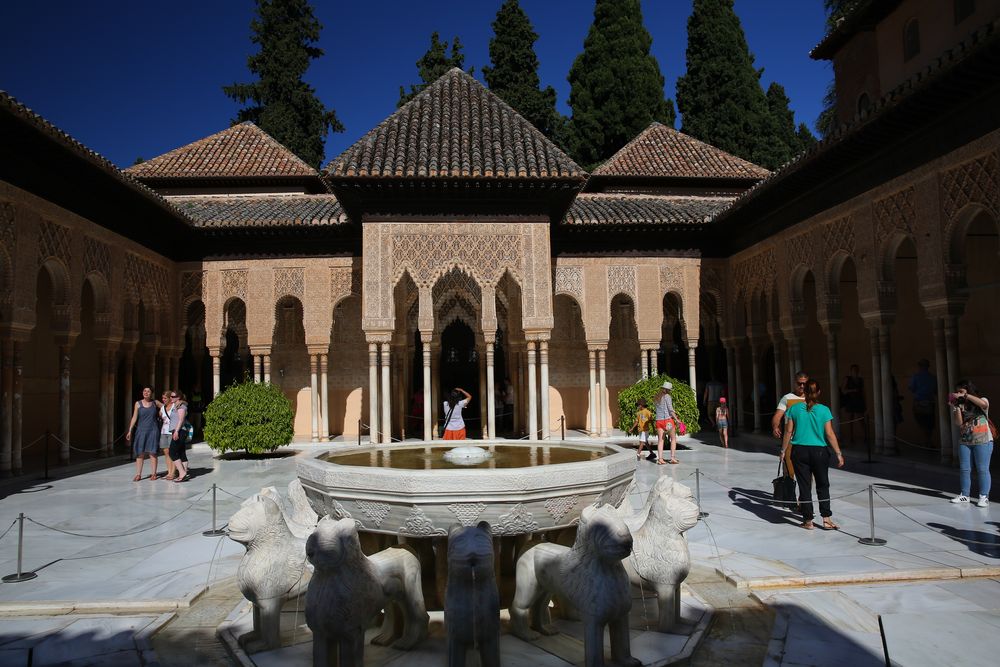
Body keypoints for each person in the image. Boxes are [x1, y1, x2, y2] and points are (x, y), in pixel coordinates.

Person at [781, 380, 845, 530]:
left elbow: (788, 432)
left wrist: (783, 451)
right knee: (823, 484)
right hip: (820, 452)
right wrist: (838, 453)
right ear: (819, 393)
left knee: (804, 486)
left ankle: (808, 521)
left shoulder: (795, 409)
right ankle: (827, 519)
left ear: (805, 393)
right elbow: (829, 434)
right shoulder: (824, 410)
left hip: (799, 451)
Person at [949, 380, 992, 507]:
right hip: (965, 440)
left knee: (982, 469)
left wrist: (966, 396)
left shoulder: (982, 400)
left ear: (968, 390)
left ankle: (984, 496)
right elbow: (958, 423)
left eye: (961, 391)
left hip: (983, 439)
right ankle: (964, 495)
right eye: (957, 391)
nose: (958, 394)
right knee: (964, 469)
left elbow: (983, 405)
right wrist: (956, 406)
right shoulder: (961, 405)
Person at [772, 371, 809, 481]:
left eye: (804, 383)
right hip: (790, 440)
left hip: (807, 440)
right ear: (794, 383)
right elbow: (778, 415)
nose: (802, 386)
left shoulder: (811, 398)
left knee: (806, 472)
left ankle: (804, 497)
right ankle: (789, 496)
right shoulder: (787, 398)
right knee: (789, 470)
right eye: (799, 383)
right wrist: (775, 426)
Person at [126, 386, 161, 481]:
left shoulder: (155, 403)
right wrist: (130, 430)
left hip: (153, 430)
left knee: (152, 453)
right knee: (140, 453)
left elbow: (166, 408)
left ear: (151, 393)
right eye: (144, 391)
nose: (146, 392)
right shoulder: (138, 404)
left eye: (148, 391)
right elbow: (134, 417)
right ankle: (138, 474)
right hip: (141, 431)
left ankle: (154, 474)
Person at [909, 359, 937, 445]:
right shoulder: (932, 378)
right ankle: (928, 440)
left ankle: (925, 441)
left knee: (921, 422)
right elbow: (936, 390)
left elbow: (912, 388)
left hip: (919, 401)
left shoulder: (916, 377)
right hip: (929, 402)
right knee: (929, 422)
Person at [840, 364, 866, 444]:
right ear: (851, 371)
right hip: (850, 401)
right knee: (850, 420)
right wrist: (853, 390)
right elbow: (843, 390)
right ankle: (851, 438)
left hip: (859, 401)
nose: (855, 372)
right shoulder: (847, 379)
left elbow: (863, 392)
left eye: (856, 370)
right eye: (853, 370)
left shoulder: (860, 380)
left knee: (861, 419)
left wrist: (865, 403)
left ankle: (865, 437)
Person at [654, 381, 679, 465]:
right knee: (673, 438)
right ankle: (672, 458)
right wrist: (676, 419)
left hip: (658, 421)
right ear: (668, 390)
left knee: (661, 440)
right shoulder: (667, 396)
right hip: (667, 420)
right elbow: (670, 410)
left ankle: (660, 459)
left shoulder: (656, 397)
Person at [168, 390, 190, 482]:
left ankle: (182, 472)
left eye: (173, 396)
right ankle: (184, 473)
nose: (171, 398)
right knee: (181, 452)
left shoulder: (181, 406)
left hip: (180, 431)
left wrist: (176, 431)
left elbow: (181, 420)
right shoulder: (176, 405)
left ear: (179, 397)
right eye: (171, 396)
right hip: (178, 431)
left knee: (172, 452)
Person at [159, 391, 176, 480]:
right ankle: (169, 472)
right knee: (166, 452)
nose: (163, 400)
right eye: (163, 398)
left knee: (172, 452)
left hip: (172, 432)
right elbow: (161, 416)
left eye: (165, 398)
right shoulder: (162, 408)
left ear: (170, 398)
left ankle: (173, 472)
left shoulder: (174, 406)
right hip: (164, 431)